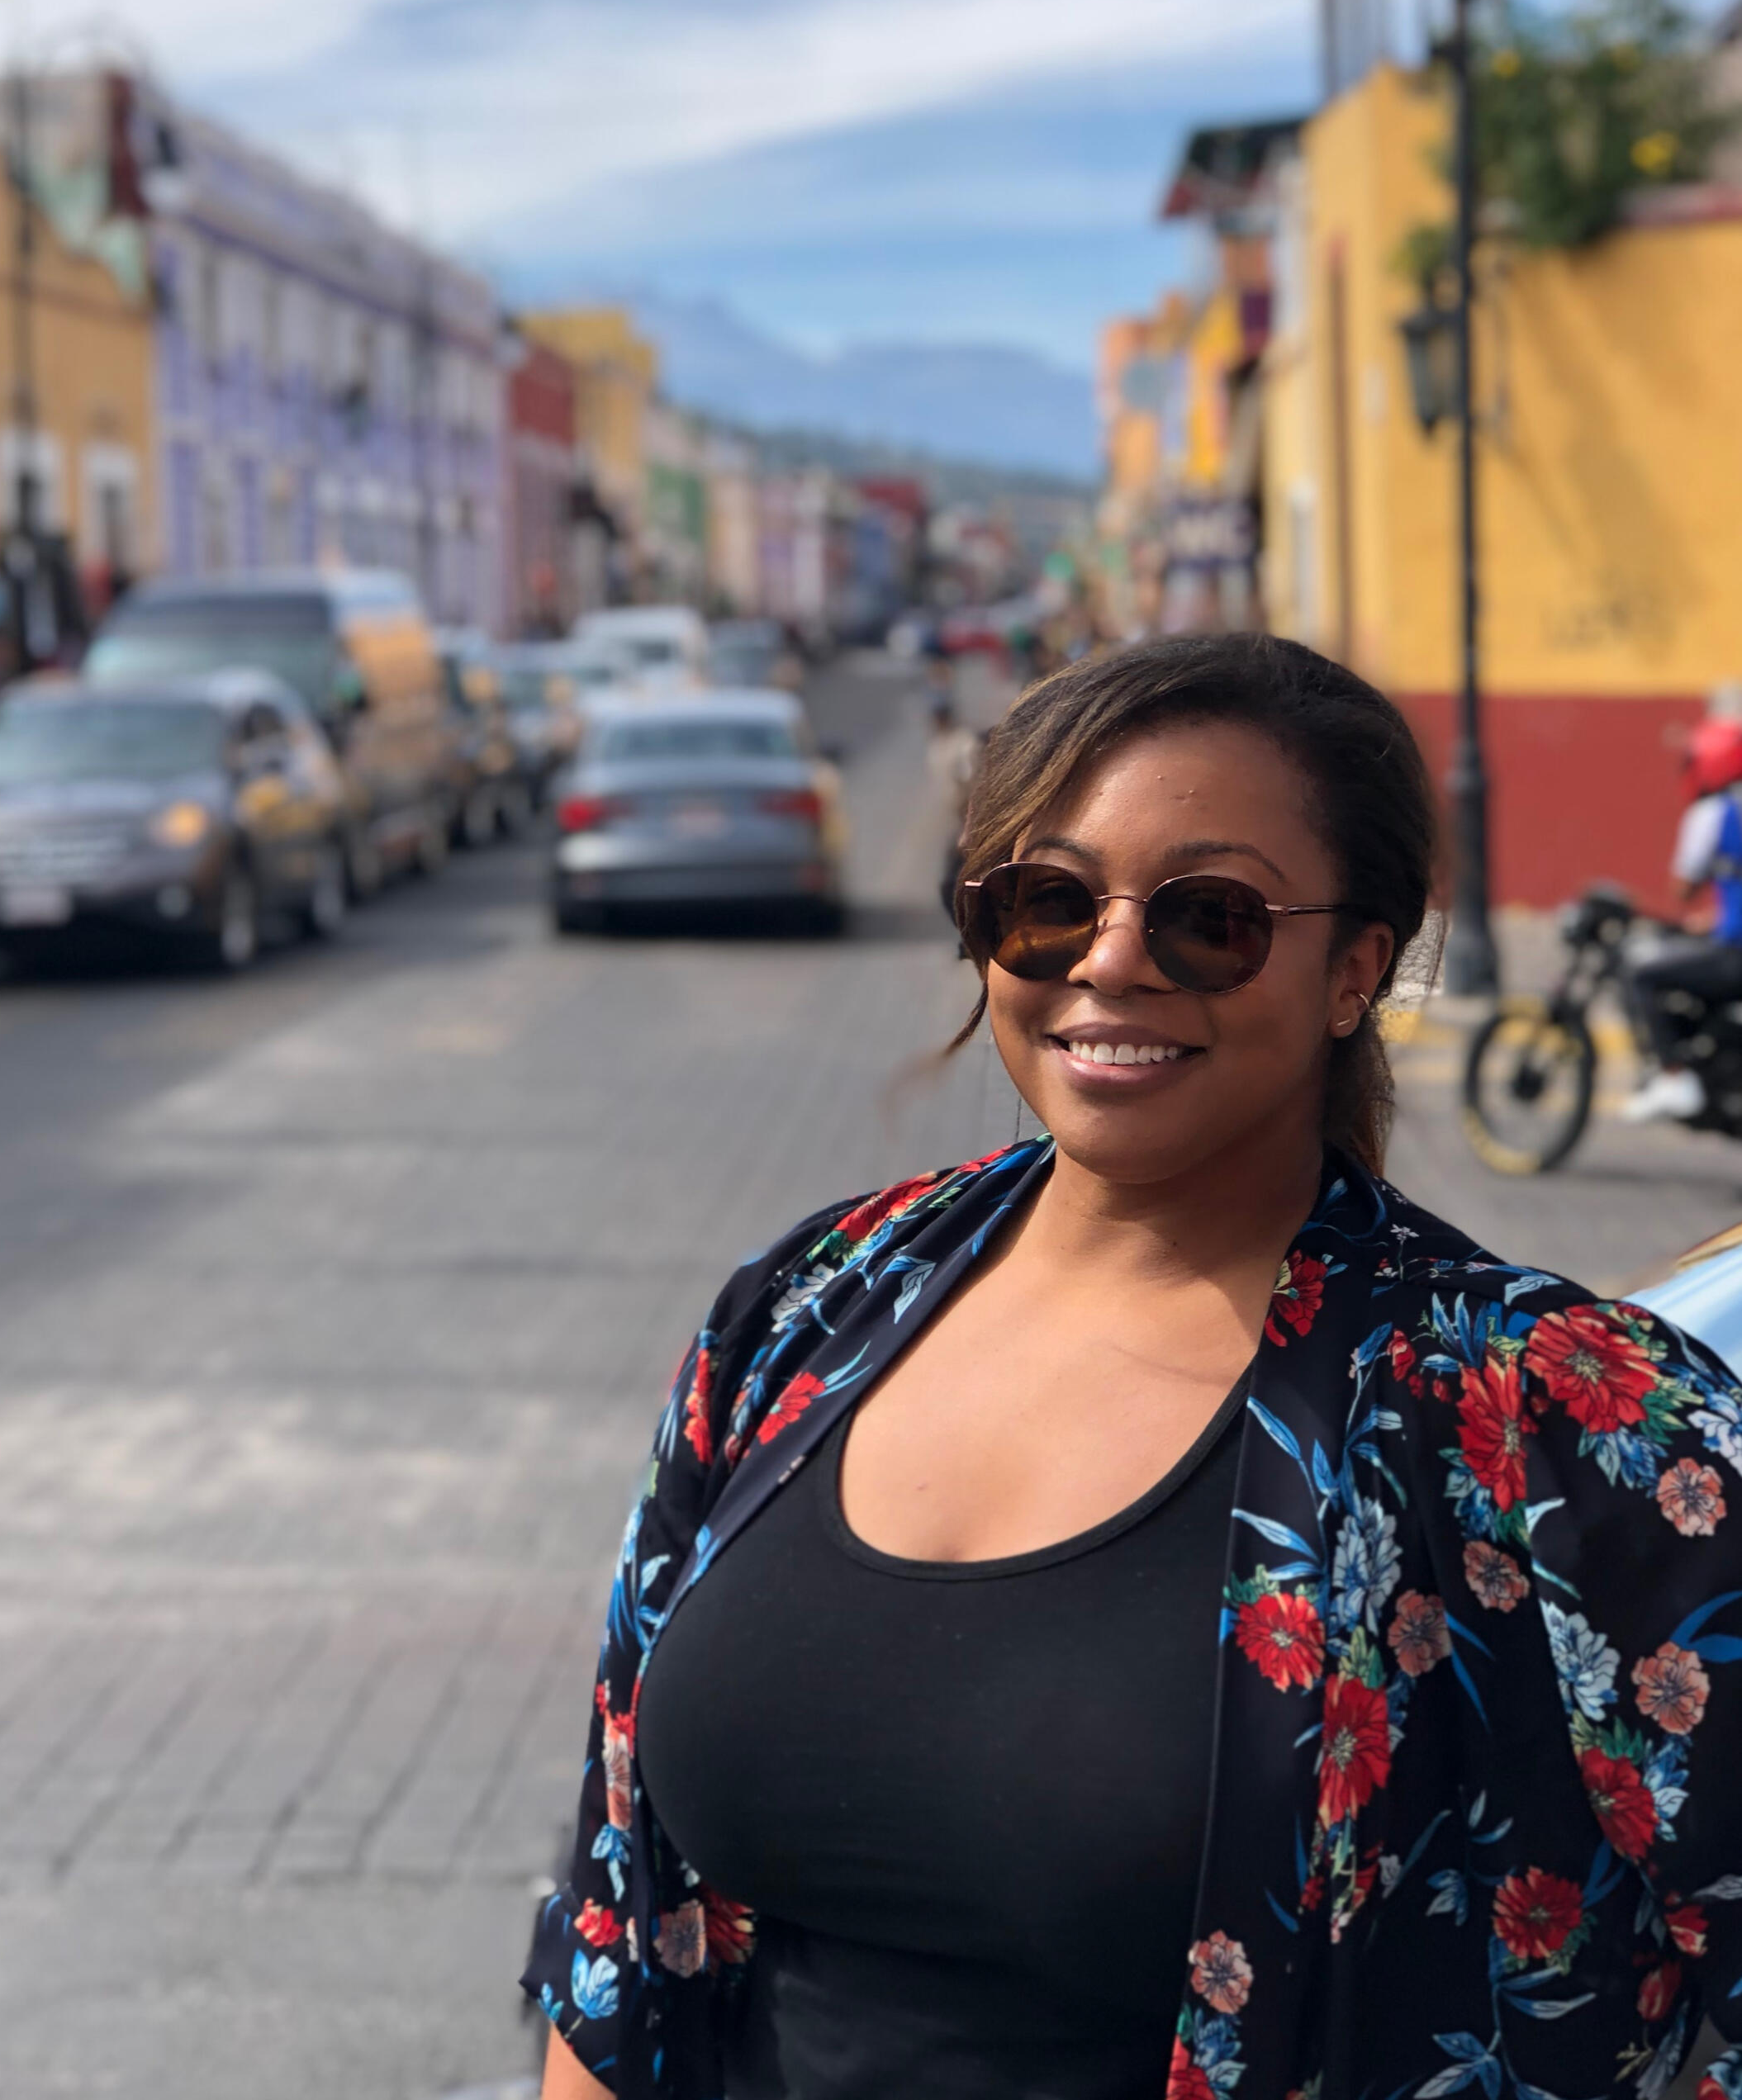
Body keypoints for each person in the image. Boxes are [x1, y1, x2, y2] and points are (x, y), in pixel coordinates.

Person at [526, 633, 1742, 2100]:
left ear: (1357, 967)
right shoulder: (807, 1306)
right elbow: (618, 1931)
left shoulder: (1535, 1408)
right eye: (1048, 902)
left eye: (1209, 917)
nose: (1109, 959)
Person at [1625, 710, 1742, 1123]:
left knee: (1644, 975)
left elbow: (1682, 889)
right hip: (1729, 939)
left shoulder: (1712, 813)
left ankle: (1674, 1076)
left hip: (1734, 955)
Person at [924, 694, 980, 922]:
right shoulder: (937, 744)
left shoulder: (963, 743)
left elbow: (970, 780)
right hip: (952, 815)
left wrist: (967, 817)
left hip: (966, 815)